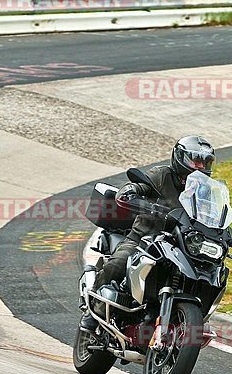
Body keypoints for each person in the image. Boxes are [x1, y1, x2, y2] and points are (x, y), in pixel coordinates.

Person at [80, 135, 216, 331]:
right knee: (118, 263)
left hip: (180, 246)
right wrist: (131, 192)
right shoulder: (162, 176)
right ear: (180, 158)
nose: (200, 167)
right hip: (144, 239)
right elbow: (139, 186)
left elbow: (213, 214)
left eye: (205, 162)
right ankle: (93, 310)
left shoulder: (205, 190)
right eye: (196, 161)